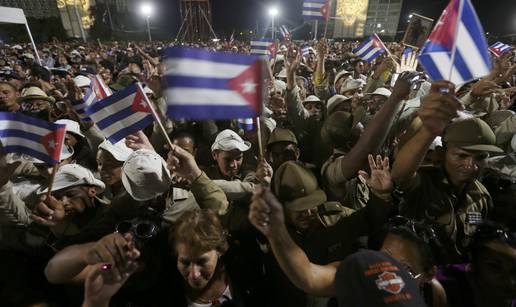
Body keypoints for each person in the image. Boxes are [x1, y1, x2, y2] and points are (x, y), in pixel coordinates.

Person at [392, 80, 504, 261]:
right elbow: (400, 175)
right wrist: (429, 130)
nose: (472, 166)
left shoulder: (481, 196)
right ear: (442, 153)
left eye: (481, 158)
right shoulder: (426, 183)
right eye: (461, 156)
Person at [437, 222, 516, 307]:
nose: (509, 281)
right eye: (494, 267)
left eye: (514, 271)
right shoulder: (443, 285)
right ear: (474, 264)